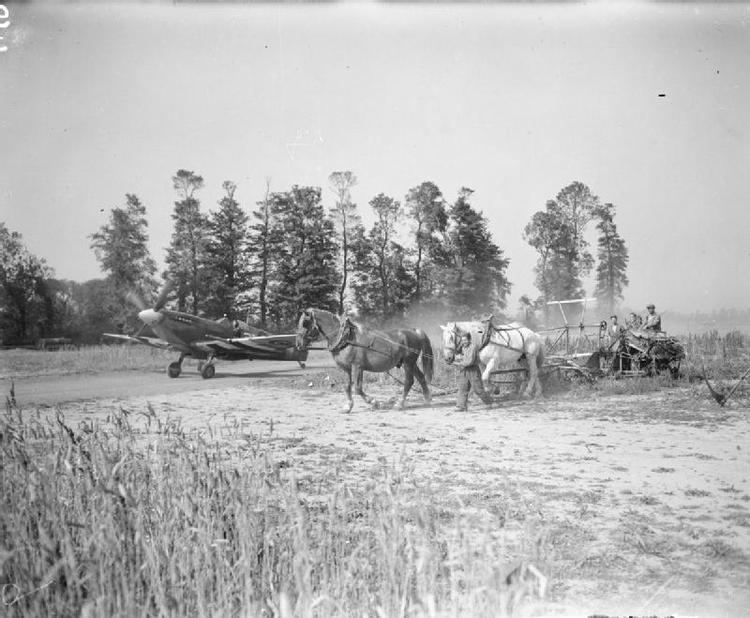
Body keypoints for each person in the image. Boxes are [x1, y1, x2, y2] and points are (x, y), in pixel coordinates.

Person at [454, 332, 493, 411]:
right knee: (462, 388)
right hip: (464, 370)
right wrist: (457, 358)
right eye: (462, 340)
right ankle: (461, 406)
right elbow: (462, 357)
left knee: (478, 389)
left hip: (473, 370)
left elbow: (469, 361)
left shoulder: (473, 347)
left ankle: (489, 402)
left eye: (465, 340)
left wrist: (458, 363)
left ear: (469, 340)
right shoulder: (463, 347)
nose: (463, 342)